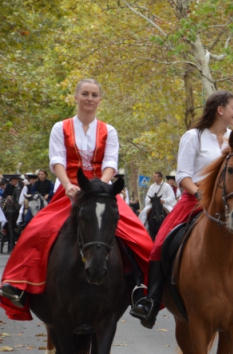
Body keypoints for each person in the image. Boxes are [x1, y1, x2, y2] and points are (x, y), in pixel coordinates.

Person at [129, 90, 233, 330]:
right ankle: (152, 301)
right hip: (196, 199)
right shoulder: (194, 137)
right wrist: (201, 194)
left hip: (229, 203)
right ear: (220, 110)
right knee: (161, 242)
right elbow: (183, 175)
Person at [0, 79, 153, 319]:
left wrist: (101, 187)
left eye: (94, 95)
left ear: (99, 99)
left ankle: (141, 288)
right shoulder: (59, 127)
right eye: (85, 94)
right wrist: (69, 184)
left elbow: (111, 162)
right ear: (76, 97)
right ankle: (18, 284)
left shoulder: (108, 130)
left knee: (137, 234)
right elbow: (57, 160)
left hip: (101, 189)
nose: (89, 99)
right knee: (38, 229)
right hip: (69, 188)